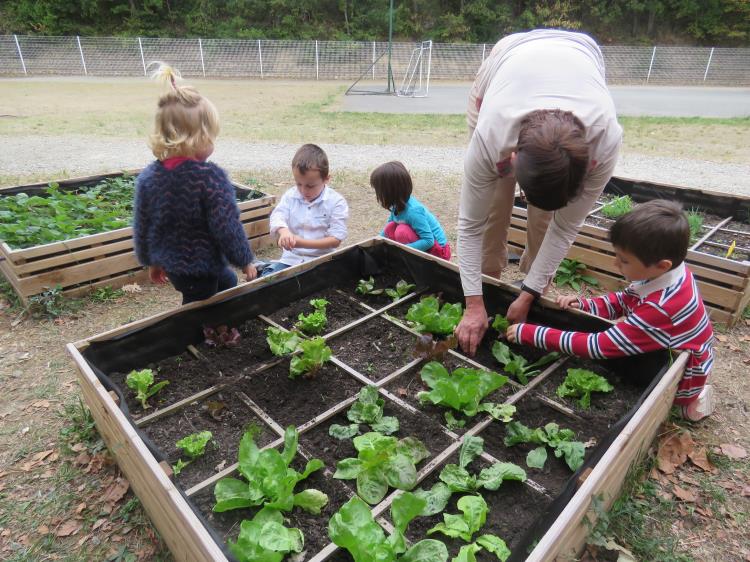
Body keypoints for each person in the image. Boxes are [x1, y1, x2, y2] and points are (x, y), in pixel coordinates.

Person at [455, 29, 623, 355]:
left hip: (580, 55)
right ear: (512, 160)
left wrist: (529, 293)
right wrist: (473, 302)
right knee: (492, 208)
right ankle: (487, 288)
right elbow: (469, 225)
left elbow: (566, 226)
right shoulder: (492, 134)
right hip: (506, 63)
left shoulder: (605, 139)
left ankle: (531, 288)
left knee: (546, 219)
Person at [506, 200, 715, 421]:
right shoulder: (667, 274)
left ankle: (693, 401)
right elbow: (624, 301)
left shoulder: (661, 307)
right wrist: (586, 305)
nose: (615, 264)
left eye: (624, 260)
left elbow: (597, 346)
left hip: (687, 370)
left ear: (662, 265)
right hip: (670, 344)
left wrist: (530, 333)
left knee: (674, 407)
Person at [133, 63, 257, 305]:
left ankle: (213, 325)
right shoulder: (209, 178)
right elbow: (227, 227)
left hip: (177, 266)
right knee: (200, 306)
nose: (213, 142)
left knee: (228, 282)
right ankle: (208, 336)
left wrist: (153, 261)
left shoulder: (149, 178)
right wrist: (245, 260)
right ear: (197, 138)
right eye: (211, 136)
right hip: (197, 268)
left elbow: (143, 227)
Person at [260, 144, 348, 276]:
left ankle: (264, 267)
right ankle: (264, 269)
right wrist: (284, 232)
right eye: (298, 184)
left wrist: (300, 242)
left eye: (310, 186)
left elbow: (335, 240)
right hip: (290, 260)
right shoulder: (291, 196)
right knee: (266, 284)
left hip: (321, 261)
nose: (303, 190)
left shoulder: (336, 202)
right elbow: (277, 215)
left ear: (326, 179)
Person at [371, 161, 451, 260]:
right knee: (391, 227)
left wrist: (402, 250)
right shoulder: (396, 205)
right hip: (423, 244)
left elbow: (428, 241)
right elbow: (388, 228)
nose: (378, 195)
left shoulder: (413, 211)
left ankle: (410, 260)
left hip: (438, 251)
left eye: (379, 191)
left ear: (390, 191)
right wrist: (377, 241)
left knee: (401, 231)